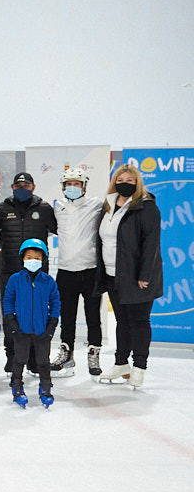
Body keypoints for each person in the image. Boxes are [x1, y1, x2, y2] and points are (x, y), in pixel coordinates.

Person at [96, 165, 162, 388]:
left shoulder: (146, 207)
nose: (125, 183)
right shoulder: (107, 205)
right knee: (122, 321)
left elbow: (150, 244)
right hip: (112, 274)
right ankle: (121, 363)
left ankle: (139, 367)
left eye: (130, 180)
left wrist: (145, 275)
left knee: (139, 321)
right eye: (121, 179)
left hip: (137, 277)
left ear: (137, 183)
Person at [0, 172, 57, 372]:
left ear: (33, 187)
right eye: (18, 185)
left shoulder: (44, 209)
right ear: (12, 187)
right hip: (10, 270)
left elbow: (56, 229)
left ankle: (34, 358)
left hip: (37, 273)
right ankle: (12, 356)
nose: (22, 188)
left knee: (36, 313)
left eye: (26, 185)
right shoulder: (1, 209)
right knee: (10, 313)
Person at [50, 166, 104, 377]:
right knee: (67, 316)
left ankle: (94, 354)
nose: (73, 187)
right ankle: (66, 354)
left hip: (90, 270)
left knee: (93, 316)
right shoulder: (58, 207)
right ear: (63, 187)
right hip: (65, 271)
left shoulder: (97, 205)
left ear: (84, 186)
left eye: (77, 183)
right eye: (69, 184)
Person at [4, 239, 61, 408]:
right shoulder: (15, 279)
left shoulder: (48, 281)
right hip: (21, 329)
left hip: (42, 330)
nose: (33, 260)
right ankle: (16, 385)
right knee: (20, 359)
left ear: (43, 259)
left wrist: (51, 326)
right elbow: (8, 301)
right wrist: (12, 324)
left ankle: (45, 387)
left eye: (37, 257)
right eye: (29, 257)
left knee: (43, 361)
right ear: (22, 258)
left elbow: (55, 303)